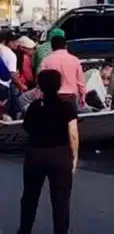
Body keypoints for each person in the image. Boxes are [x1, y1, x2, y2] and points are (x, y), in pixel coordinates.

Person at [17, 69, 79, 234]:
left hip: (35, 153)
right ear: (59, 85)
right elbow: (73, 134)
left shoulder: (34, 107)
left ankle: (24, 230)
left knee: (30, 197)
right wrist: (74, 157)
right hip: (60, 154)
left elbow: (27, 128)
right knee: (60, 200)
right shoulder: (66, 106)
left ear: (40, 86)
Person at [40, 35, 86, 110]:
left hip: (51, 98)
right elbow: (80, 82)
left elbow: (42, 81)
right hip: (70, 97)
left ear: (52, 47)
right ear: (66, 46)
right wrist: (82, 96)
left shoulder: (46, 61)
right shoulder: (74, 60)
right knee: (70, 120)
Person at [0, 31, 26, 120]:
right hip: (3, 86)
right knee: (4, 114)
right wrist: (21, 86)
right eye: (14, 41)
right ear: (6, 41)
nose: (17, 43)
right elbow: (12, 75)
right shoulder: (10, 54)